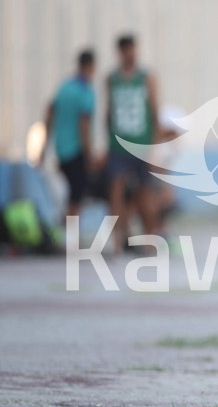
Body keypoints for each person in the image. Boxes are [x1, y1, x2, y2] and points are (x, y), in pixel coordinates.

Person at [106, 35, 161, 252]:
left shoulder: (146, 78)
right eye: (127, 50)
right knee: (116, 192)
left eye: (133, 50)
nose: (131, 54)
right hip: (118, 146)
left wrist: (155, 146)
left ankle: (150, 239)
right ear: (120, 52)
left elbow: (155, 110)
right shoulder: (112, 79)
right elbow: (108, 113)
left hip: (141, 145)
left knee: (144, 194)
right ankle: (117, 241)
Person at [41, 50, 96, 217]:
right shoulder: (85, 91)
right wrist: (89, 154)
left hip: (61, 150)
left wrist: (44, 147)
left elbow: (49, 115)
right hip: (76, 150)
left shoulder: (64, 87)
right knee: (76, 199)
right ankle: (71, 239)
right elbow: (84, 126)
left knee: (68, 197)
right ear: (91, 66)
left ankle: (68, 236)